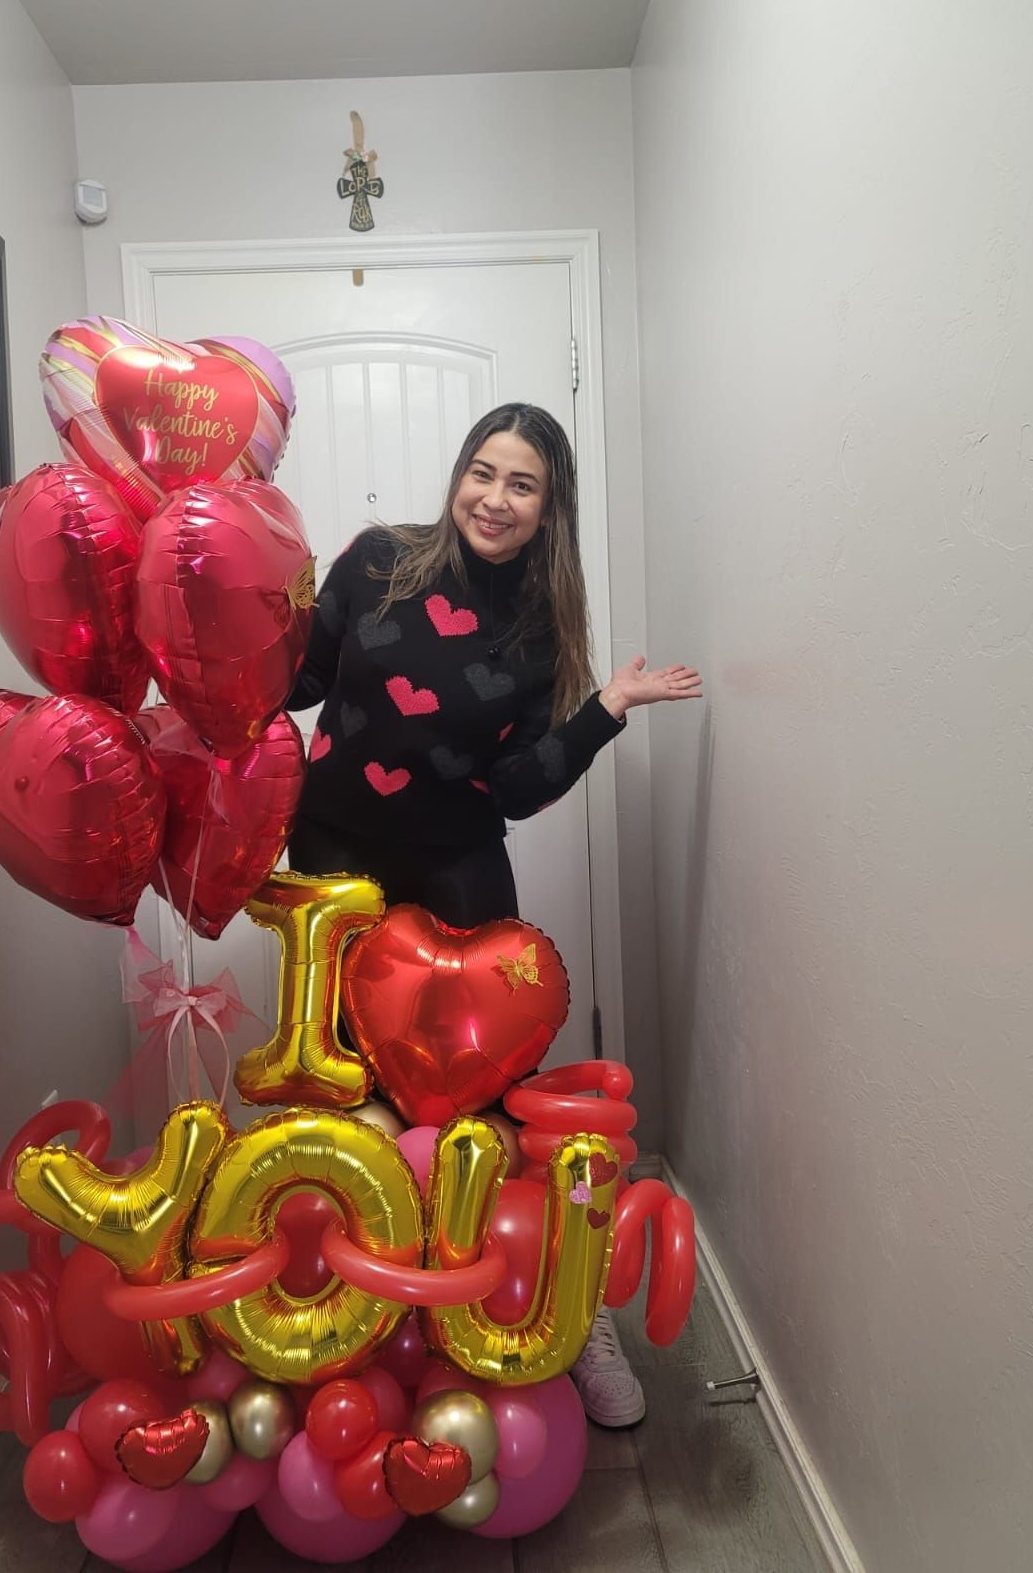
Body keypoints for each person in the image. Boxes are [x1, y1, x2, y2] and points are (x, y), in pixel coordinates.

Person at [285, 403, 702, 1425]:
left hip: (459, 870)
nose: (495, 499)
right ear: (458, 475)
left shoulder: (537, 626)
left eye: (523, 484)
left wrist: (606, 709)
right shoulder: (375, 560)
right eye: (484, 472)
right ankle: (353, 1313)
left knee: (490, 1098)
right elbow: (292, 681)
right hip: (336, 862)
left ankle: (563, 1308)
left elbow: (515, 787)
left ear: (548, 507)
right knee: (345, 1090)